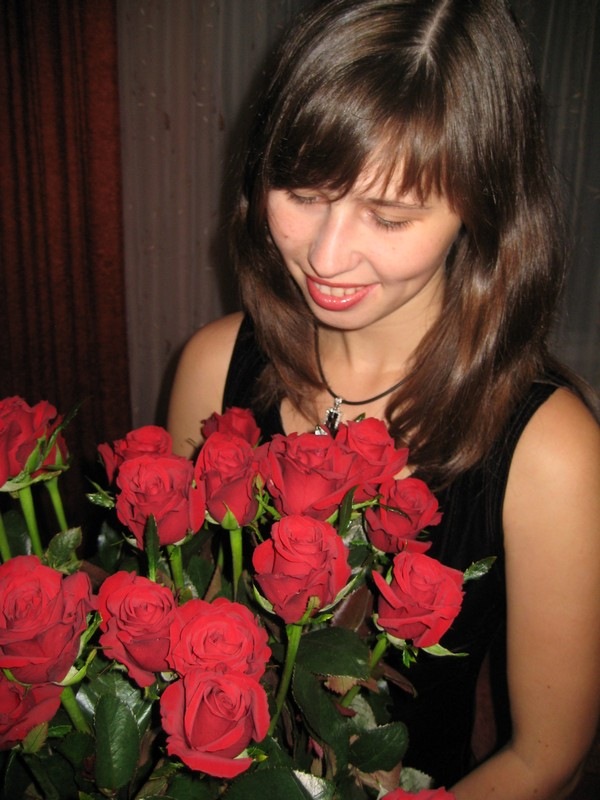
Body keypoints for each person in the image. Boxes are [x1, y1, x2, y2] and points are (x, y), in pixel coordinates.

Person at [167, 0, 600, 797]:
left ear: (482, 209)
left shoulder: (552, 451)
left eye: (391, 216)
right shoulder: (210, 366)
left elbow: (546, 757)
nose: (326, 257)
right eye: (302, 193)